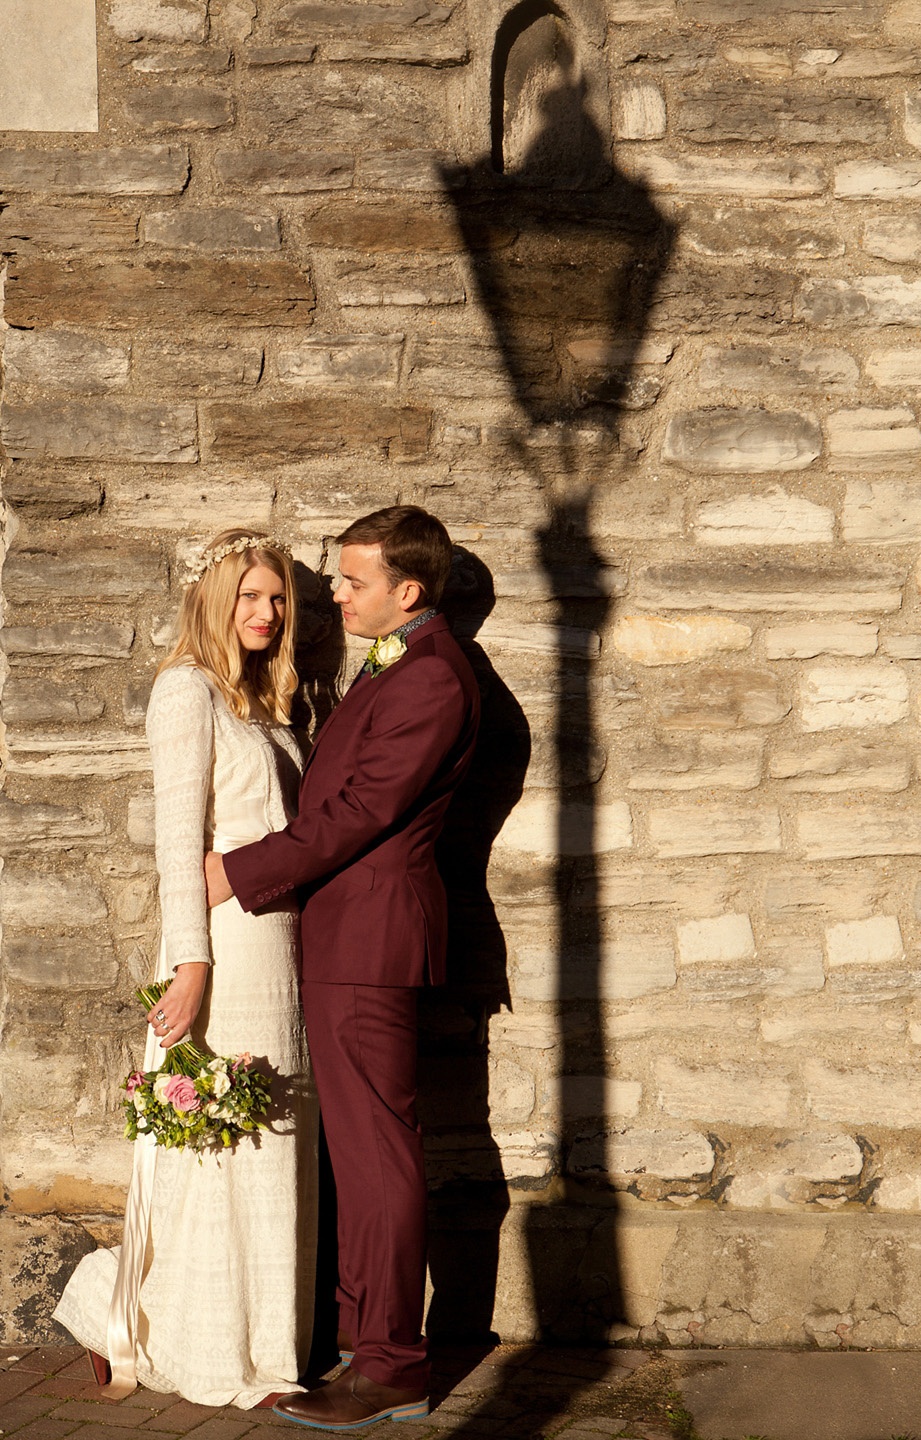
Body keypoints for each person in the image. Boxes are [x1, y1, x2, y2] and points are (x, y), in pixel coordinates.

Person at [205, 506, 481, 1430]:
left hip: (370, 944)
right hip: (346, 940)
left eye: (353, 581)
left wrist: (236, 873)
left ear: (409, 591)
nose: (333, 595)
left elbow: (362, 811)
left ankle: (394, 1363)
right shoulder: (400, 663)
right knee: (363, 1156)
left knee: (377, 1157)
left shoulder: (433, 679)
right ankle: (363, 1342)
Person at [53, 530, 319, 1410]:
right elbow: (178, 850)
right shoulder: (186, 691)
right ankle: (188, 1340)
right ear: (212, 598)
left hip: (283, 949)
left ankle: (270, 1345)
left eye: (278, 598)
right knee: (223, 1148)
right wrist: (189, 965)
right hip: (225, 952)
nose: (267, 612)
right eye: (249, 595)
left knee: (274, 1146)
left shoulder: (271, 705)